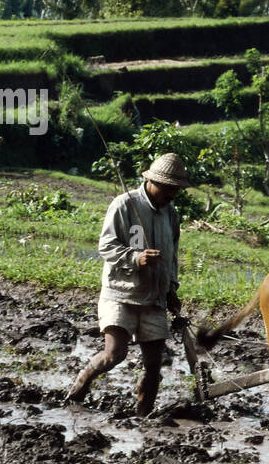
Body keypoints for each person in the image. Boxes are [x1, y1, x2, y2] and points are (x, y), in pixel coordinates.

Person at [65, 152, 189, 415]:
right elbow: (106, 246)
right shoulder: (124, 205)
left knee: (154, 365)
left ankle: (142, 416)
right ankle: (80, 384)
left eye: (175, 189)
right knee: (114, 354)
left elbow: (173, 254)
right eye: (168, 188)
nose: (171, 194)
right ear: (153, 182)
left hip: (155, 296)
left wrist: (172, 288)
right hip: (121, 292)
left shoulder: (171, 213)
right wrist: (136, 257)